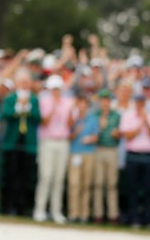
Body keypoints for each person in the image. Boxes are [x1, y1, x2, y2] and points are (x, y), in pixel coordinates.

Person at [33, 74, 74, 224]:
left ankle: (56, 211)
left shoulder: (69, 102)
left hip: (62, 141)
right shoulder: (43, 101)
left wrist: (66, 110)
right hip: (47, 141)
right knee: (46, 176)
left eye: (58, 89)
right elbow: (44, 122)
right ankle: (40, 209)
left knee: (59, 178)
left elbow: (70, 123)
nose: (56, 91)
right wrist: (54, 107)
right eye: (53, 89)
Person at [0, 69, 41, 217]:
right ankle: (7, 207)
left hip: (27, 143)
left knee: (25, 177)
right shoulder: (11, 98)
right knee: (11, 175)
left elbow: (37, 117)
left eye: (26, 82)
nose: (24, 84)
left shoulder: (34, 99)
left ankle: (22, 208)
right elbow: (6, 114)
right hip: (12, 142)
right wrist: (19, 107)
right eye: (22, 82)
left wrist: (27, 108)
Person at [119, 92, 150, 229]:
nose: (140, 105)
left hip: (147, 155)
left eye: (142, 102)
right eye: (138, 102)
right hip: (133, 155)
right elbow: (128, 136)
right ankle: (134, 218)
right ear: (134, 103)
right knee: (132, 188)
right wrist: (140, 123)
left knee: (148, 189)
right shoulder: (128, 116)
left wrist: (145, 121)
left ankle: (149, 219)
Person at [66, 91, 98, 224]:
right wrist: (76, 131)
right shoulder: (72, 119)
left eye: (84, 104)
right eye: (80, 103)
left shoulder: (93, 119)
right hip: (75, 153)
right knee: (74, 184)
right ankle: (73, 213)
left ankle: (84, 214)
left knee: (86, 184)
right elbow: (68, 137)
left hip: (88, 154)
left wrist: (89, 139)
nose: (82, 106)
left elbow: (96, 137)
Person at [92, 88, 121, 225]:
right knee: (98, 183)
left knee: (111, 184)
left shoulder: (116, 115)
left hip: (112, 149)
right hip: (98, 149)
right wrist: (100, 128)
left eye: (107, 100)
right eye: (102, 100)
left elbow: (119, 133)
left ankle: (113, 215)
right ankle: (98, 214)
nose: (104, 102)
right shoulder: (95, 115)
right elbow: (92, 132)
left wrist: (117, 134)